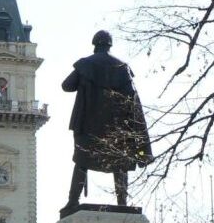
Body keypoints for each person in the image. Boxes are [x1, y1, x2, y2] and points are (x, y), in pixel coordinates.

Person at [61, 30, 152, 213]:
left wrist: (84, 79)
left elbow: (66, 85)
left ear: (95, 44)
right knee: (120, 164)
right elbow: (132, 100)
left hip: (88, 125)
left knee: (81, 161)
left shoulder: (86, 64)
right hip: (115, 126)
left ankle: (73, 201)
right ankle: (122, 202)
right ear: (110, 45)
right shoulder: (122, 68)